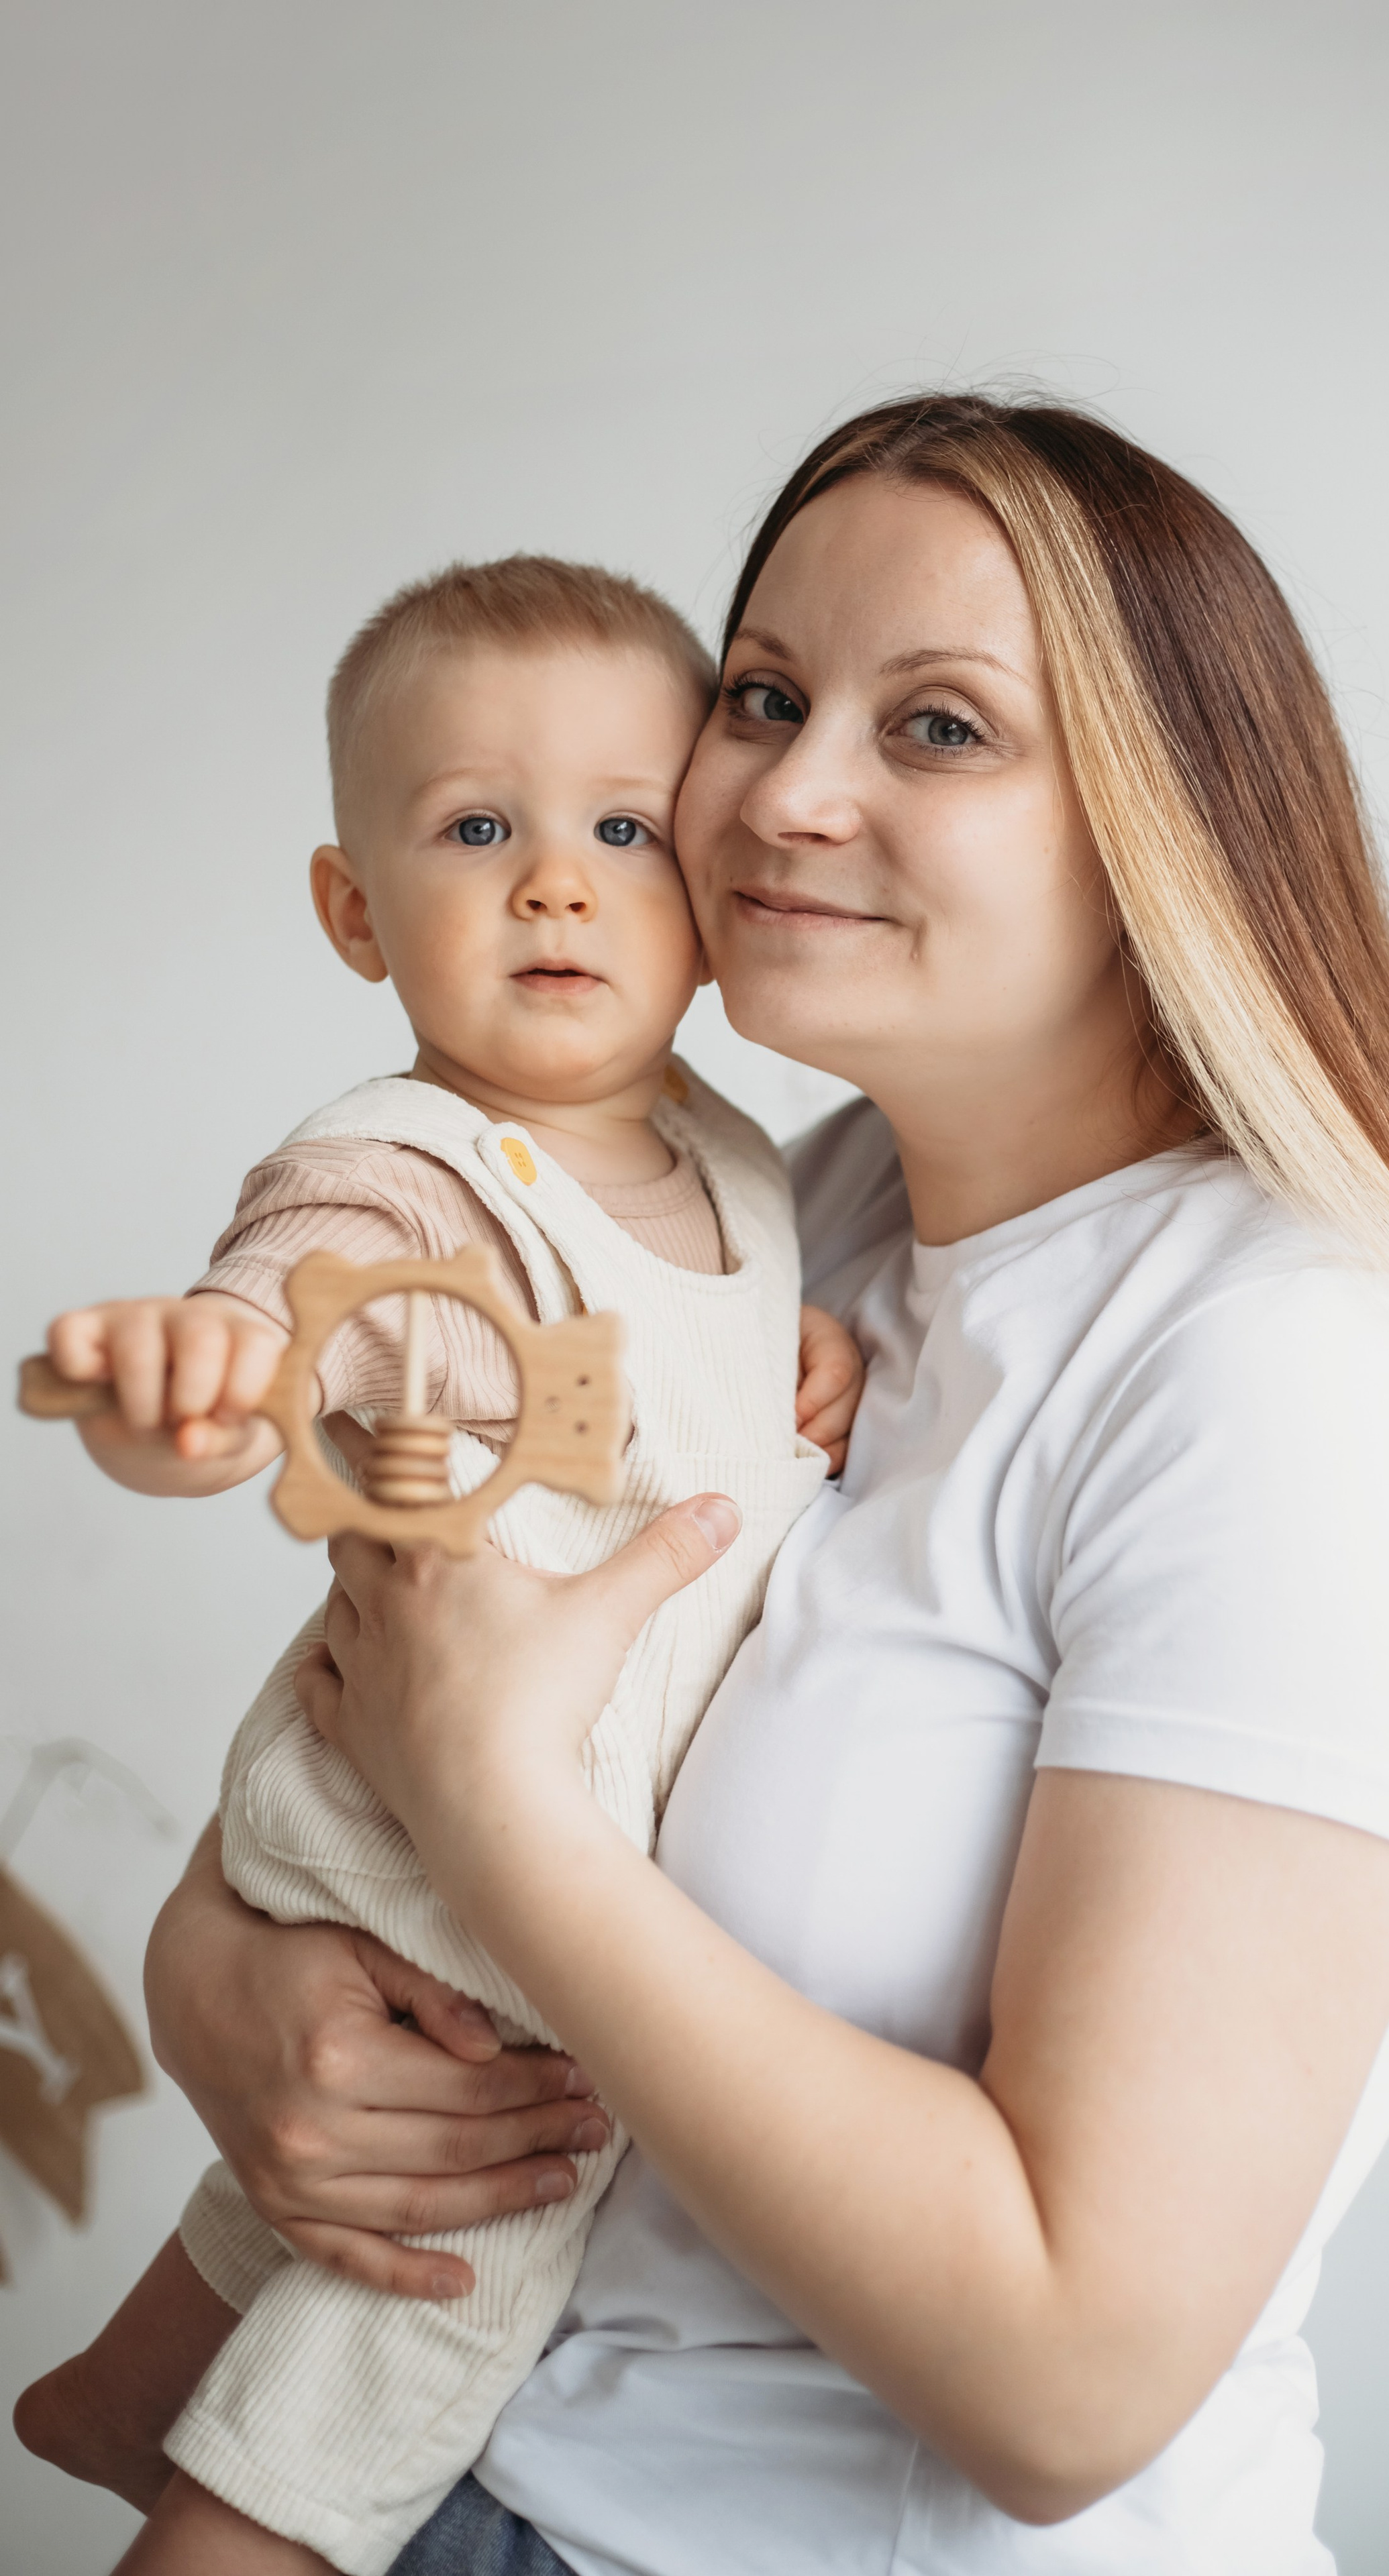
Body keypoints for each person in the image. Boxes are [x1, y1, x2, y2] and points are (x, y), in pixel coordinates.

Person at [115, 395, 1389, 2576]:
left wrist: (500, 1828)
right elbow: (394, 1715)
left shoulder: (1301, 1389)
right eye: (760, 695)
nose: (776, 792)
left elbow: (1067, 2376)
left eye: (938, 727)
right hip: (451, 2484)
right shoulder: (791, 1212)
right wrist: (223, 1995)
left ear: (1166, 827)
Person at [13, 555, 861, 2575]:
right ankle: (225, 2527)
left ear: (712, 896)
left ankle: (126, 2387)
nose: (555, 884)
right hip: (426, 1862)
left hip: (521, 1850)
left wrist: (803, 1356)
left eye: (622, 831)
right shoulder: (413, 1159)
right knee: (427, 2291)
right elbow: (296, 1294)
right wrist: (193, 1373)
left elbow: (709, 1374)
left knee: (329, 2216)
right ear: (354, 907)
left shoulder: (745, 1163)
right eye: (479, 829)